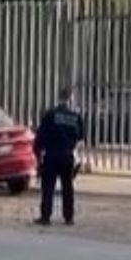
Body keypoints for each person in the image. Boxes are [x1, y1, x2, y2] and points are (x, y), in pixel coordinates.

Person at [33, 88, 84, 226]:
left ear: (59, 97)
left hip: (51, 155)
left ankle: (45, 216)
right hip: (67, 155)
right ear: (70, 99)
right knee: (68, 187)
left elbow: (40, 136)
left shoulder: (50, 115)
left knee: (48, 187)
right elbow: (80, 138)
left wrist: (38, 154)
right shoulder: (76, 117)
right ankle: (69, 217)